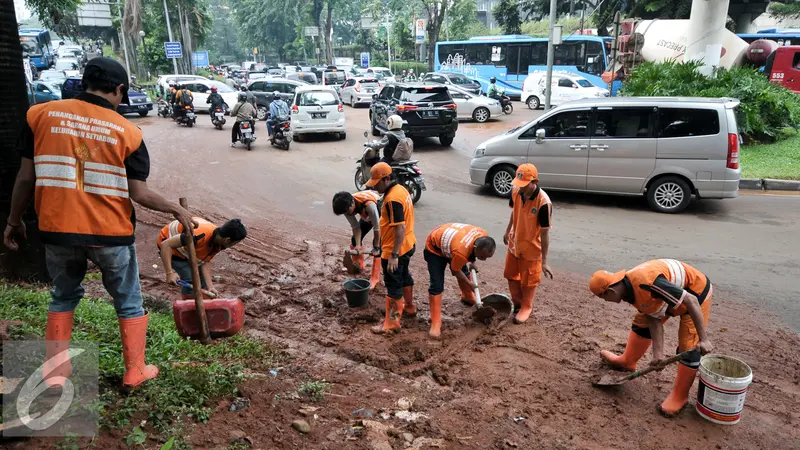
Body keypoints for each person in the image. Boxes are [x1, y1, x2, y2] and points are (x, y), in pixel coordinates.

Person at [3, 57, 195, 391]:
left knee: (63, 296)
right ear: (119, 89)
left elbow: (25, 177)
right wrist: (175, 211)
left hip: (57, 231)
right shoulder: (129, 132)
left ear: (84, 82)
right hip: (111, 234)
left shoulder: (40, 115)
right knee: (129, 301)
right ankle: (135, 370)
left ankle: (55, 373)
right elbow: (140, 194)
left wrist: (14, 220)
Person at [588, 259, 714, 417]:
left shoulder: (647, 283)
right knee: (642, 322)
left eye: (603, 298)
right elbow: (653, 317)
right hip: (670, 296)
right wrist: (658, 355)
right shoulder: (629, 289)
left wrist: (704, 339)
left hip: (696, 293)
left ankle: (680, 397)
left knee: (689, 344)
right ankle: (628, 361)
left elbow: (691, 301)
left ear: (610, 292)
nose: (606, 301)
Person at [365, 163, 417, 334]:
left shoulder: (392, 199)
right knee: (404, 276)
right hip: (408, 244)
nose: (375, 186)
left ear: (387, 179)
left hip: (395, 249)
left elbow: (399, 228)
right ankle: (409, 307)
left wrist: (394, 255)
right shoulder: (401, 190)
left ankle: (391, 323)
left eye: (377, 182)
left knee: (393, 283)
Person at [424, 223, 496, 338]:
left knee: (465, 270)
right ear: (477, 249)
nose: (484, 260)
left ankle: (467, 296)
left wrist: (473, 262)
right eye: (482, 257)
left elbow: (472, 253)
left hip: (454, 244)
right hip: (435, 248)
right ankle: (436, 322)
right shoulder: (461, 251)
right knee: (437, 285)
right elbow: (455, 271)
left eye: (487, 257)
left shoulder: (482, 235)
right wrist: (470, 284)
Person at [503, 163, 554, 324]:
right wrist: (508, 230)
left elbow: (545, 233)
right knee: (510, 274)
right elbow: (514, 211)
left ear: (535, 181)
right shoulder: (516, 191)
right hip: (514, 242)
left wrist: (544, 261)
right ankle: (517, 302)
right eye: (519, 184)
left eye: (524, 185)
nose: (521, 188)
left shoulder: (543, 203)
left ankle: (526, 306)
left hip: (531, 248)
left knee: (529, 281)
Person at [158, 218, 247, 298]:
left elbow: (204, 261)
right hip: (169, 245)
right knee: (191, 280)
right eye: (235, 243)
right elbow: (166, 245)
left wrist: (210, 286)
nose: (233, 246)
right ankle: (189, 308)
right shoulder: (197, 235)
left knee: (203, 283)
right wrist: (169, 273)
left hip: (186, 248)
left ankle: (200, 305)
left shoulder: (218, 241)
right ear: (227, 240)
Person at [332, 191, 382, 288]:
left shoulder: (369, 205)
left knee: (379, 245)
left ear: (352, 202)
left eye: (347, 212)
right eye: (344, 213)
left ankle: (375, 278)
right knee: (355, 240)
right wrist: (358, 246)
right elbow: (355, 227)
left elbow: (377, 228)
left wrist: (376, 247)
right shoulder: (346, 207)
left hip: (378, 209)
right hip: (365, 213)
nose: (347, 214)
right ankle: (358, 266)